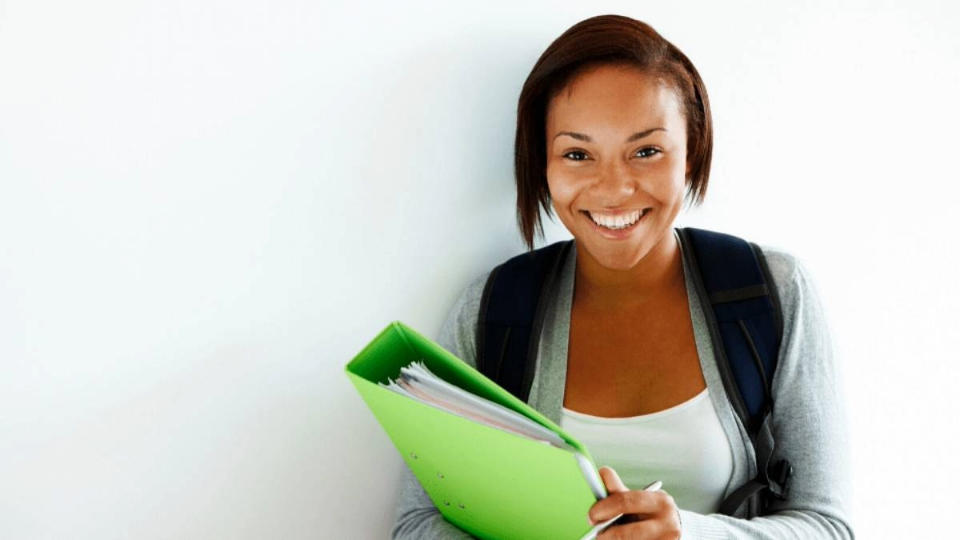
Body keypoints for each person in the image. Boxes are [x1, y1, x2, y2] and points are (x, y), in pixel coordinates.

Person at [392, 14, 854, 540]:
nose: (613, 190)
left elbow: (829, 526)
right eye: (577, 154)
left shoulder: (772, 293)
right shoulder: (493, 310)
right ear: (541, 163)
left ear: (691, 152)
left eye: (646, 151)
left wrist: (689, 534)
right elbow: (416, 524)